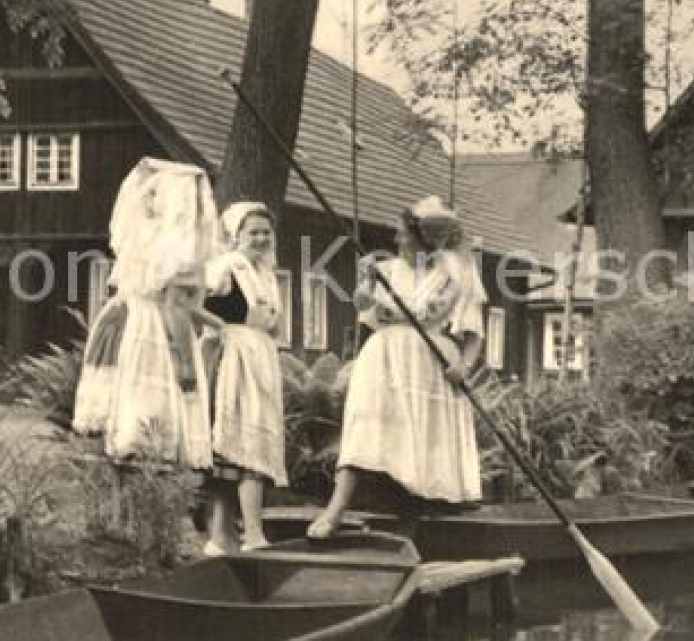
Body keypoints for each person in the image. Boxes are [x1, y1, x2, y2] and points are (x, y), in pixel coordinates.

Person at [309, 196, 486, 539]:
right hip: (384, 356)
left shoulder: (454, 277)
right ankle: (335, 510)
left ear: (424, 238)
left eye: (403, 233)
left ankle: (411, 528)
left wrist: (464, 366)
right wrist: (366, 283)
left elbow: (474, 333)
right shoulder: (386, 270)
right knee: (365, 424)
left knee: (418, 438)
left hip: (430, 361)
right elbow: (362, 307)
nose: (396, 239)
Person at [73, 159, 219, 471]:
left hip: (120, 319)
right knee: (152, 418)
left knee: (126, 416)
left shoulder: (140, 242)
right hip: (152, 331)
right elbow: (175, 310)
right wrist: (186, 363)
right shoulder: (181, 253)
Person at [199, 201, 289, 555]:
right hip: (231, 355)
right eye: (253, 232)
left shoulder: (265, 273)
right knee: (232, 438)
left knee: (250, 437)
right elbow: (191, 301)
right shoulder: (225, 268)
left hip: (259, 357)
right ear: (236, 235)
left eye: (266, 232)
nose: (261, 239)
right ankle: (236, 534)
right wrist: (219, 329)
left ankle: (234, 534)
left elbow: (273, 321)